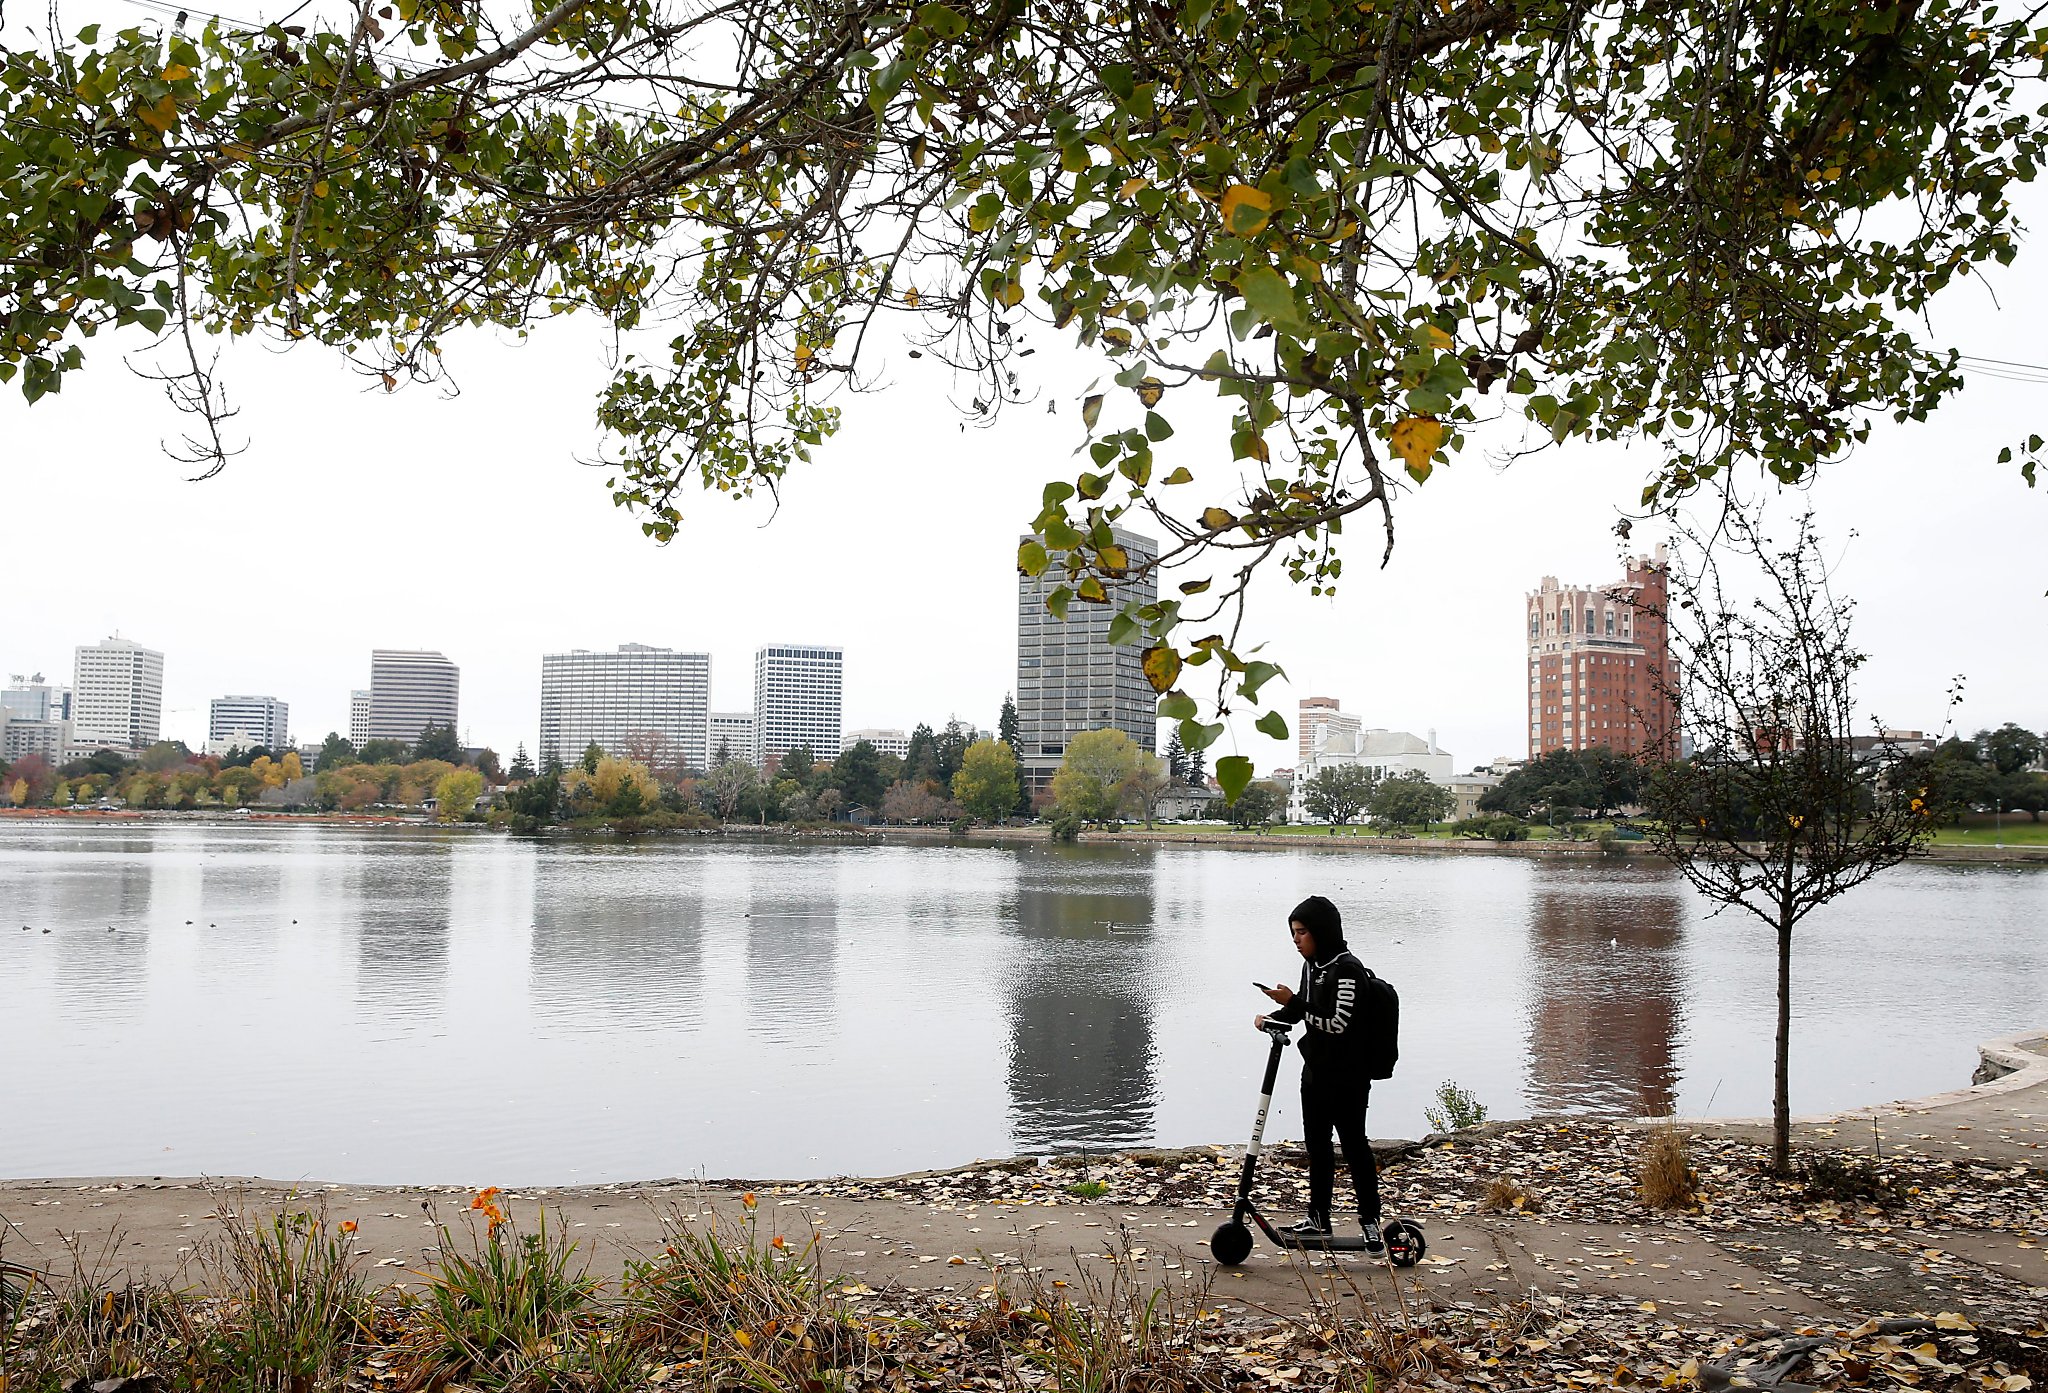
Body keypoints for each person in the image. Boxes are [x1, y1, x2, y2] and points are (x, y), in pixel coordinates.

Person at [1254, 894, 1382, 1251]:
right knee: (1317, 1147)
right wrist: (1272, 1018)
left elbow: (1337, 1022)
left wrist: (1292, 1002)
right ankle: (1318, 1217)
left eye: (1302, 932)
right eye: (1293, 933)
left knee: (1355, 1146)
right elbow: (1303, 1013)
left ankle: (1370, 1219)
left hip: (1349, 1076)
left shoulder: (1348, 969)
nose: (1296, 940)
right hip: (1316, 1073)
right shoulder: (1312, 967)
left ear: (1322, 931)